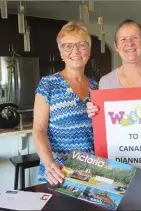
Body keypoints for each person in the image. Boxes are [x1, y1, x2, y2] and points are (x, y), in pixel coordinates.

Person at [32, 21, 98, 186]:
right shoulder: (48, 84)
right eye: (67, 46)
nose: (75, 51)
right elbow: (39, 130)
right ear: (61, 52)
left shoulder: (96, 87)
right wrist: (50, 165)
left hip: (90, 172)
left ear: (89, 50)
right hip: (58, 172)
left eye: (81, 45)